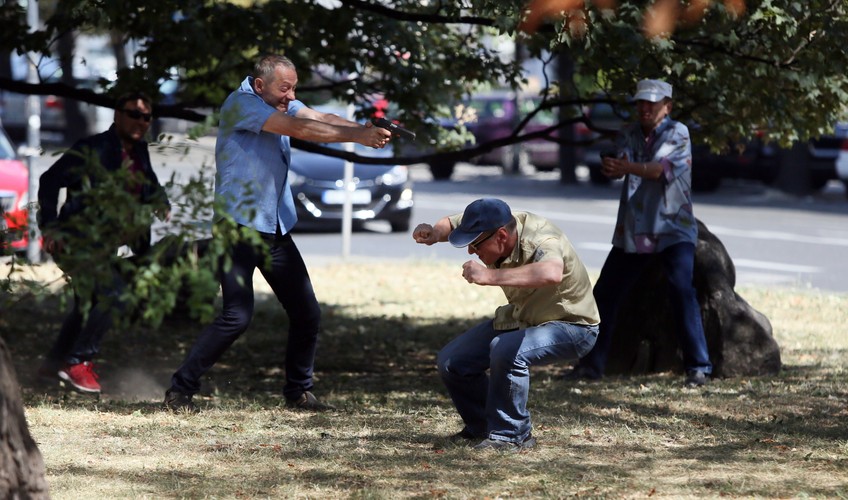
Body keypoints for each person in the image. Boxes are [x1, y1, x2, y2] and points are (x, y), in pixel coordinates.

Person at [163, 54, 392, 412]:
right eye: (284, 88)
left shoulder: (279, 99)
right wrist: (357, 137)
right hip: (238, 228)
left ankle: (298, 392)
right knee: (236, 317)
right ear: (260, 85)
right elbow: (298, 129)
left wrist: (360, 127)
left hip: (273, 227)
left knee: (306, 312)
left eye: (294, 88)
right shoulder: (242, 104)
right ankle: (180, 390)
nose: (291, 96)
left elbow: (317, 117)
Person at [413, 198, 600, 451]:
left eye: (475, 244)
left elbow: (551, 273)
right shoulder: (492, 221)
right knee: (453, 361)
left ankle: (512, 435)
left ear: (501, 236)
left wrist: (489, 275)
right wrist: (434, 233)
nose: (471, 251)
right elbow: (451, 223)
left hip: (572, 326)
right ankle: (482, 428)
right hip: (524, 318)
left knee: (507, 349)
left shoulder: (542, 239)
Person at [563, 78, 713, 387]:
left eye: (652, 103)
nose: (644, 108)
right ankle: (591, 365)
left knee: (682, 291)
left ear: (667, 107)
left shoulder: (678, 132)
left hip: (673, 228)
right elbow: (622, 165)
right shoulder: (629, 133)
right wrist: (611, 167)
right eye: (640, 103)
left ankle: (699, 367)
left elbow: (660, 170)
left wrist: (625, 168)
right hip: (635, 229)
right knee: (604, 294)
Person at [37, 91, 171, 393]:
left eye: (146, 116)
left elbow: (148, 183)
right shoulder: (92, 148)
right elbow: (49, 181)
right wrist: (51, 228)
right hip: (75, 241)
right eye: (134, 114)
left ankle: (52, 365)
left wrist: (160, 200)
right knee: (113, 295)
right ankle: (78, 362)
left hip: (103, 246)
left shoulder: (139, 152)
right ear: (117, 115)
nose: (140, 121)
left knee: (88, 303)